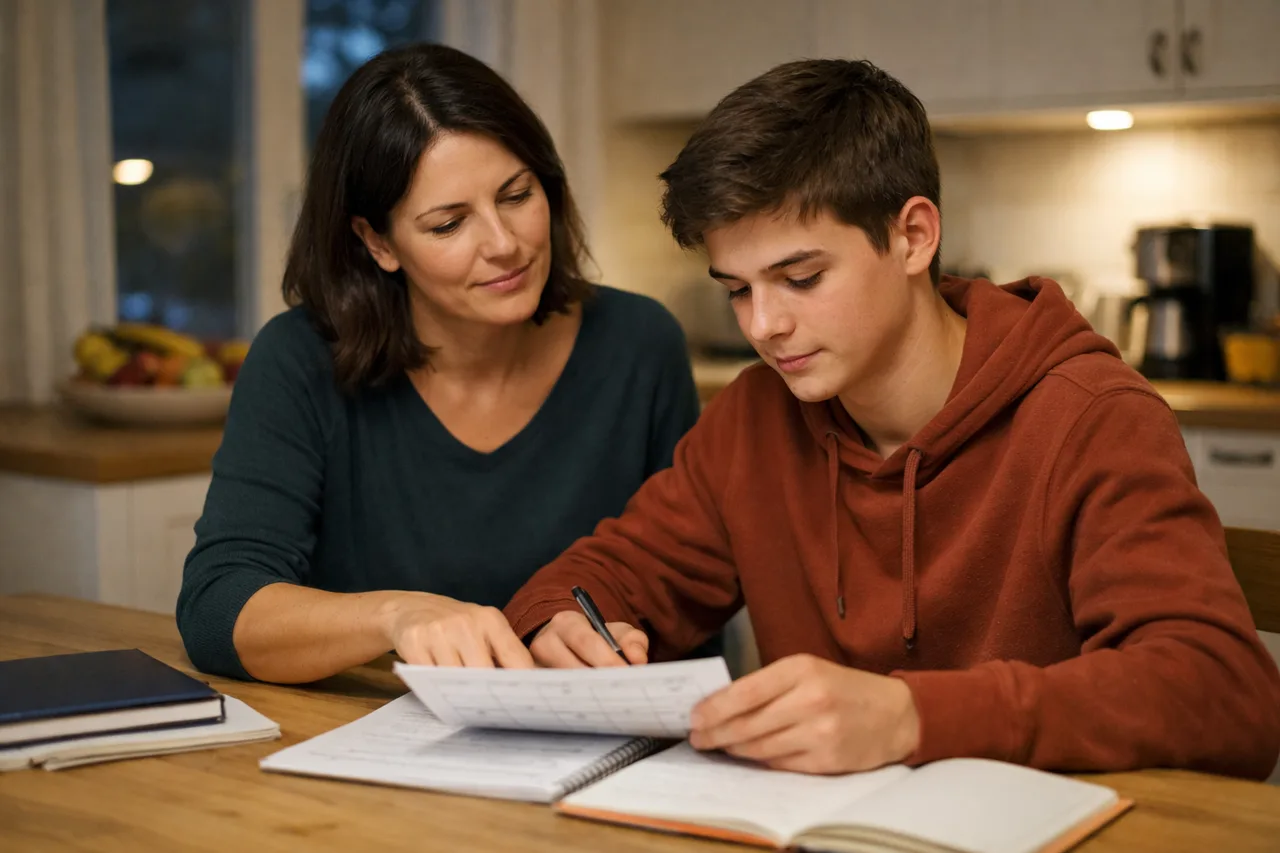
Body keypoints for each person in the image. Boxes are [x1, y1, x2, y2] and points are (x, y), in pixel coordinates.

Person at [492, 59, 1280, 780]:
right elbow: (603, 576)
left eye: (799, 277)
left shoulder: (1091, 418)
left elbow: (1224, 690)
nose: (762, 326)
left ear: (913, 236)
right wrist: (560, 619)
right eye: (737, 289)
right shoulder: (755, 419)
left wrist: (912, 715)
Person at [176, 43, 701, 684]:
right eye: (449, 225)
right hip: (367, 749)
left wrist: (618, 635)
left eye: (516, 195)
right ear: (376, 241)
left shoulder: (640, 343)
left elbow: (688, 591)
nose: (504, 245)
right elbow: (216, 608)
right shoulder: (299, 361)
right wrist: (397, 617)